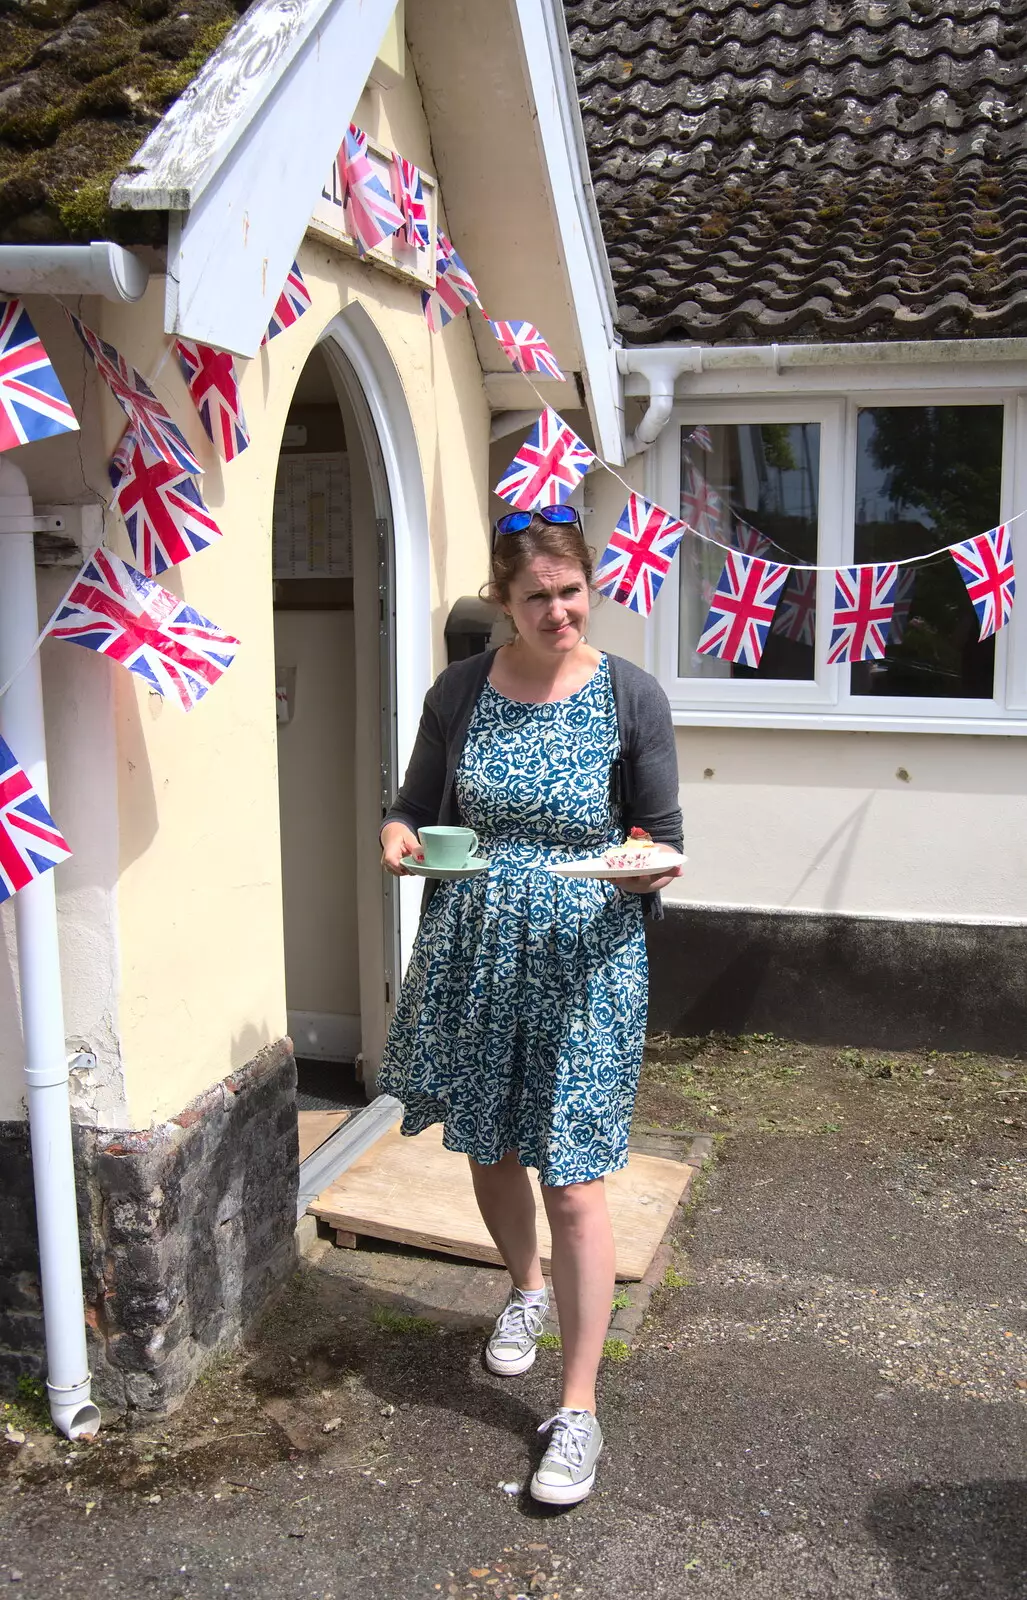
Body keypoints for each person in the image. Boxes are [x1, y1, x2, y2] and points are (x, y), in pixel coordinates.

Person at [378, 505, 683, 1506]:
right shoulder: (460, 689)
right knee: (494, 1146)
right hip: (477, 948)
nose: (559, 611)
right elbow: (413, 801)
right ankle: (523, 1289)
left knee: (579, 1180)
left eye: (570, 590)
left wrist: (642, 869)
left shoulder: (630, 696)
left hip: (590, 957)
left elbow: (660, 830)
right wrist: (399, 834)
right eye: (536, 597)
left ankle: (578, 1408)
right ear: (502, 605)